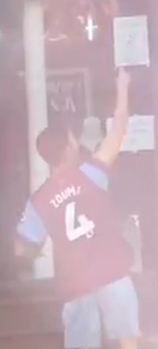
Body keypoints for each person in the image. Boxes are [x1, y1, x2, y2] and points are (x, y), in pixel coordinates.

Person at [15, 69, 138, 349]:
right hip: (112, 271)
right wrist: (122, 86)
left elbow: (22, 248)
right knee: (128, 341)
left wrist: (38, 249)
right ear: (69, 147)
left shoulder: (39, 201)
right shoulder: (91, 173)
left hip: (75, 283)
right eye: (73, 139)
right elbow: (119, 128)